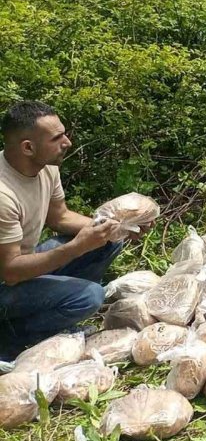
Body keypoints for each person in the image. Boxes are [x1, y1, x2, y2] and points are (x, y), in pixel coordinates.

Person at [0, 101, 126, 359]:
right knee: (90, 296)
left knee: (110, 240)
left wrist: (118, 227)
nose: (67, 142)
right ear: (28, 147)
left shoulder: (46, 167)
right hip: (6, 279)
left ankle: (59, 305)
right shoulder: (3, 194)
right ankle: (13, 336)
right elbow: (10, 271)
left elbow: (60, 217)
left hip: (19, 265)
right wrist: (77, 247)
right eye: (57, 138)